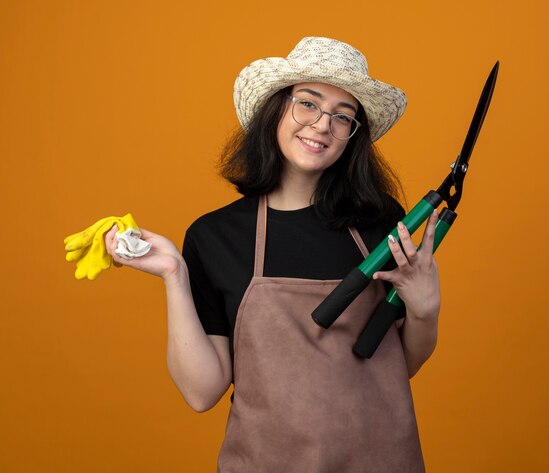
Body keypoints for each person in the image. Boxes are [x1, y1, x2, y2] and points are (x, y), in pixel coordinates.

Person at [105, 37, 440, 472]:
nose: (322, 125)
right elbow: (202, 392)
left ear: (353, 137)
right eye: (308, 103)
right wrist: (174, 274)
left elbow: (395, 367)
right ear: (276, 108)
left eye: (344, 117)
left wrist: (425, 309)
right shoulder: (215, 237)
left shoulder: (381, 223)